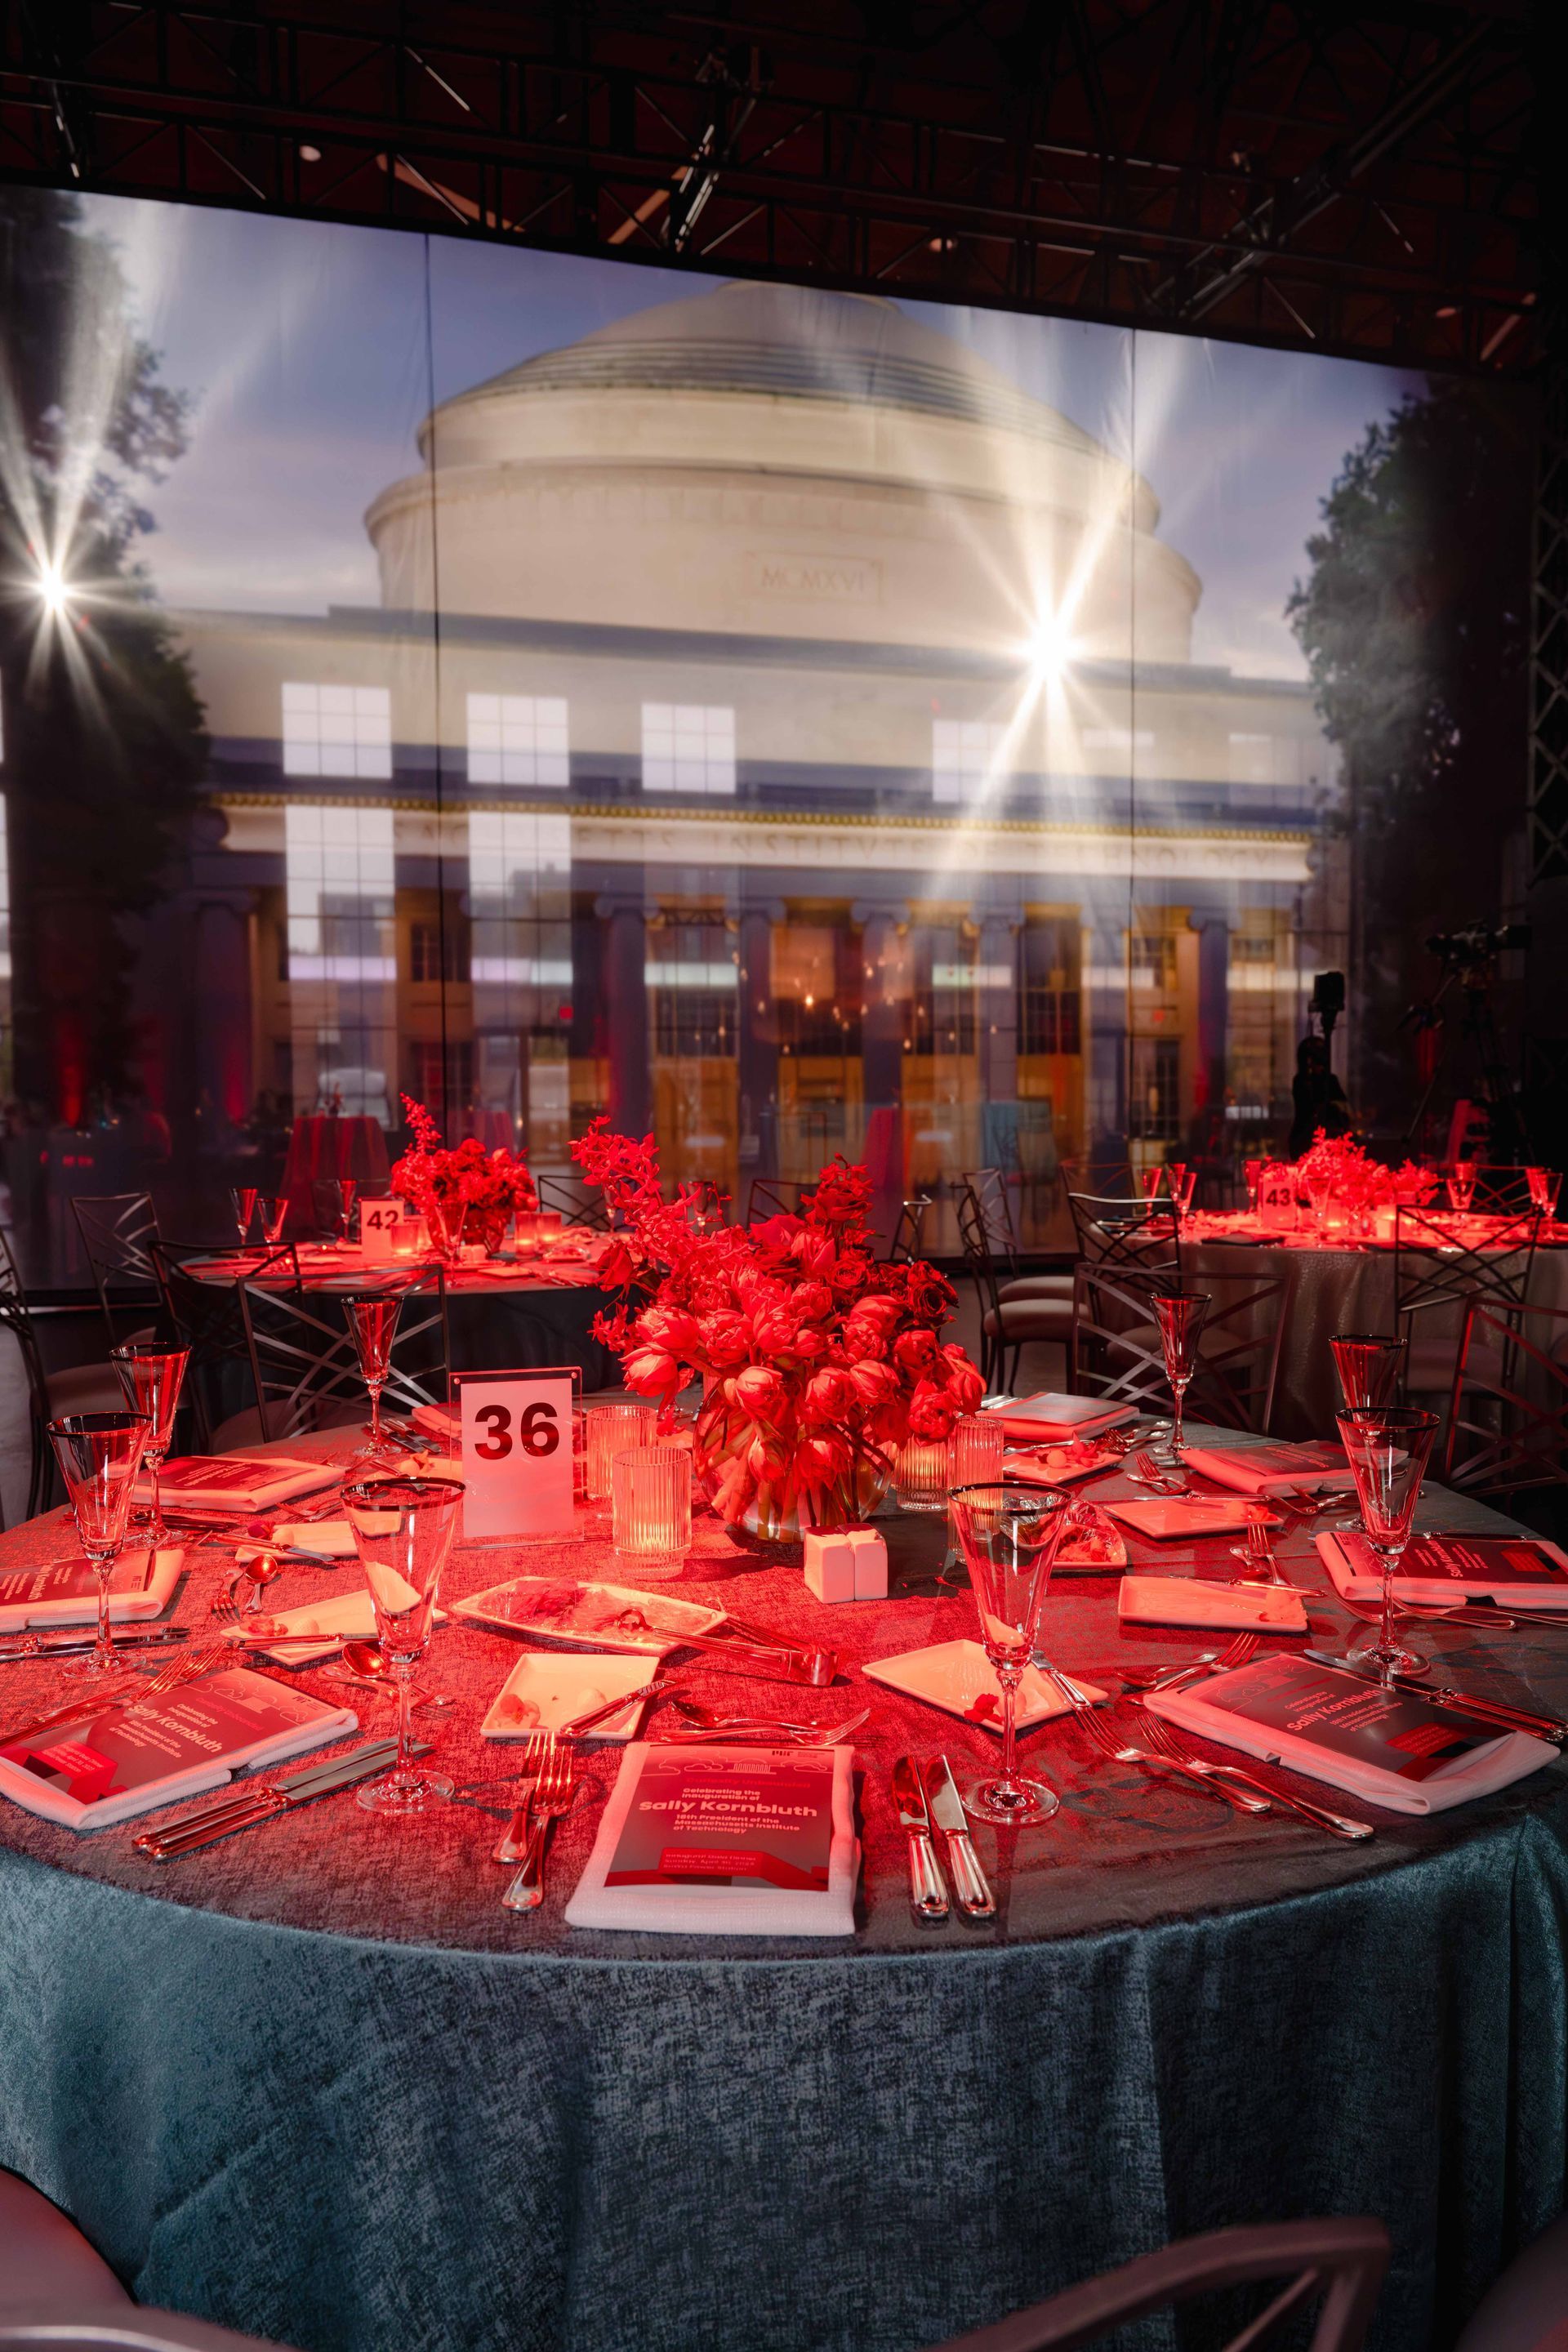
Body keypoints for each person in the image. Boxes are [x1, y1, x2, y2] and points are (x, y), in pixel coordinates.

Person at [1287, 1034, 1352, 1157]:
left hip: (1328, 1137)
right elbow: (1306, 1110)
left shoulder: (1330, 1080)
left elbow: (1342, 1107)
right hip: (1305, 1137)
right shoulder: (1301, 1081)